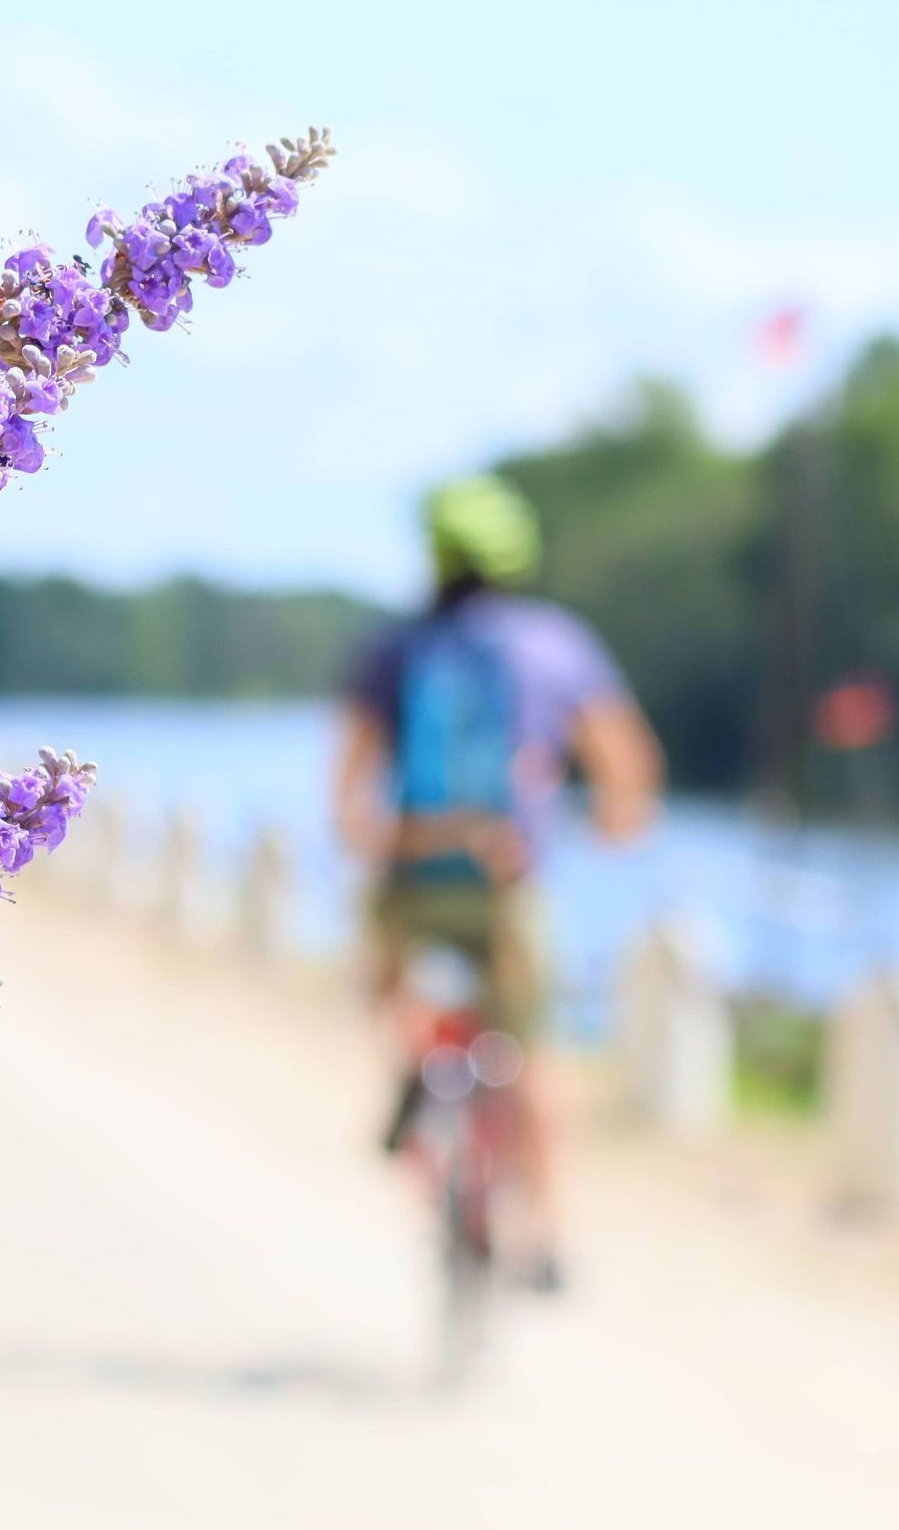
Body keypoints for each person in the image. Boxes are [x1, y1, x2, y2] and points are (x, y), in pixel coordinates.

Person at [333, 473, 661, 1288]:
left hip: (409, 878)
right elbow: (629, 780)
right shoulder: (557, 646)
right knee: (534, 1054)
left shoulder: (394, 651)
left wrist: (388, 838)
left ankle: (415, 1066)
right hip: (508, 882)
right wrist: (603, 824)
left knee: (388, 994)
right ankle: (544, 1236)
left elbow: (347, 801)